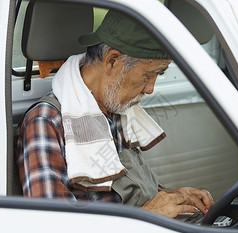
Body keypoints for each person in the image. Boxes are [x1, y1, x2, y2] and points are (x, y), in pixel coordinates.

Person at [15, 10, 213, 218]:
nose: (150, 89)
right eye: (148, 75)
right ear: (112, 61)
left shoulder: (116, 107)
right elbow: (54, 228)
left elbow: (125, 191)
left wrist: (173, 196)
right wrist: (148, 214)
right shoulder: (46, 122)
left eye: (158, 74)